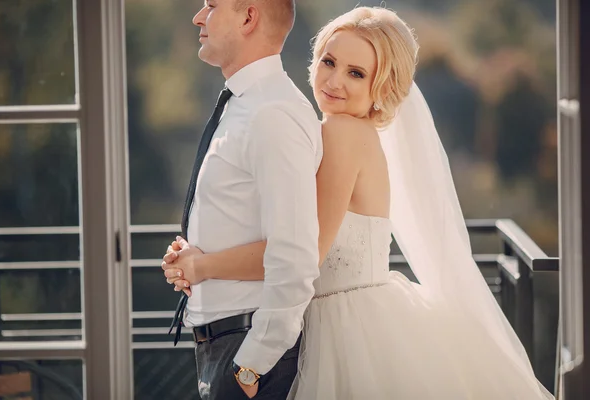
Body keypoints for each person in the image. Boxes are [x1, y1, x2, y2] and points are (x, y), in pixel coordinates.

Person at [164, 6, 555, 400]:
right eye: (329, 62)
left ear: (381, 88)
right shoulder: (344, 132)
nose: (334, 81)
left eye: (356, 73)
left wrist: (204, 265)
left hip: (345, 327)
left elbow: (306, 252)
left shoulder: (342, 135)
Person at [164, 0, 323, 399]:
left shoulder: (272, 113)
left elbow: (295, 254)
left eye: (211, 5)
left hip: (248, 348)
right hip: (222, 344)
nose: (198, 17)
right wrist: (191, 259)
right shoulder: (244, 106)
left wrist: (252, 362)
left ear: (249, 17)